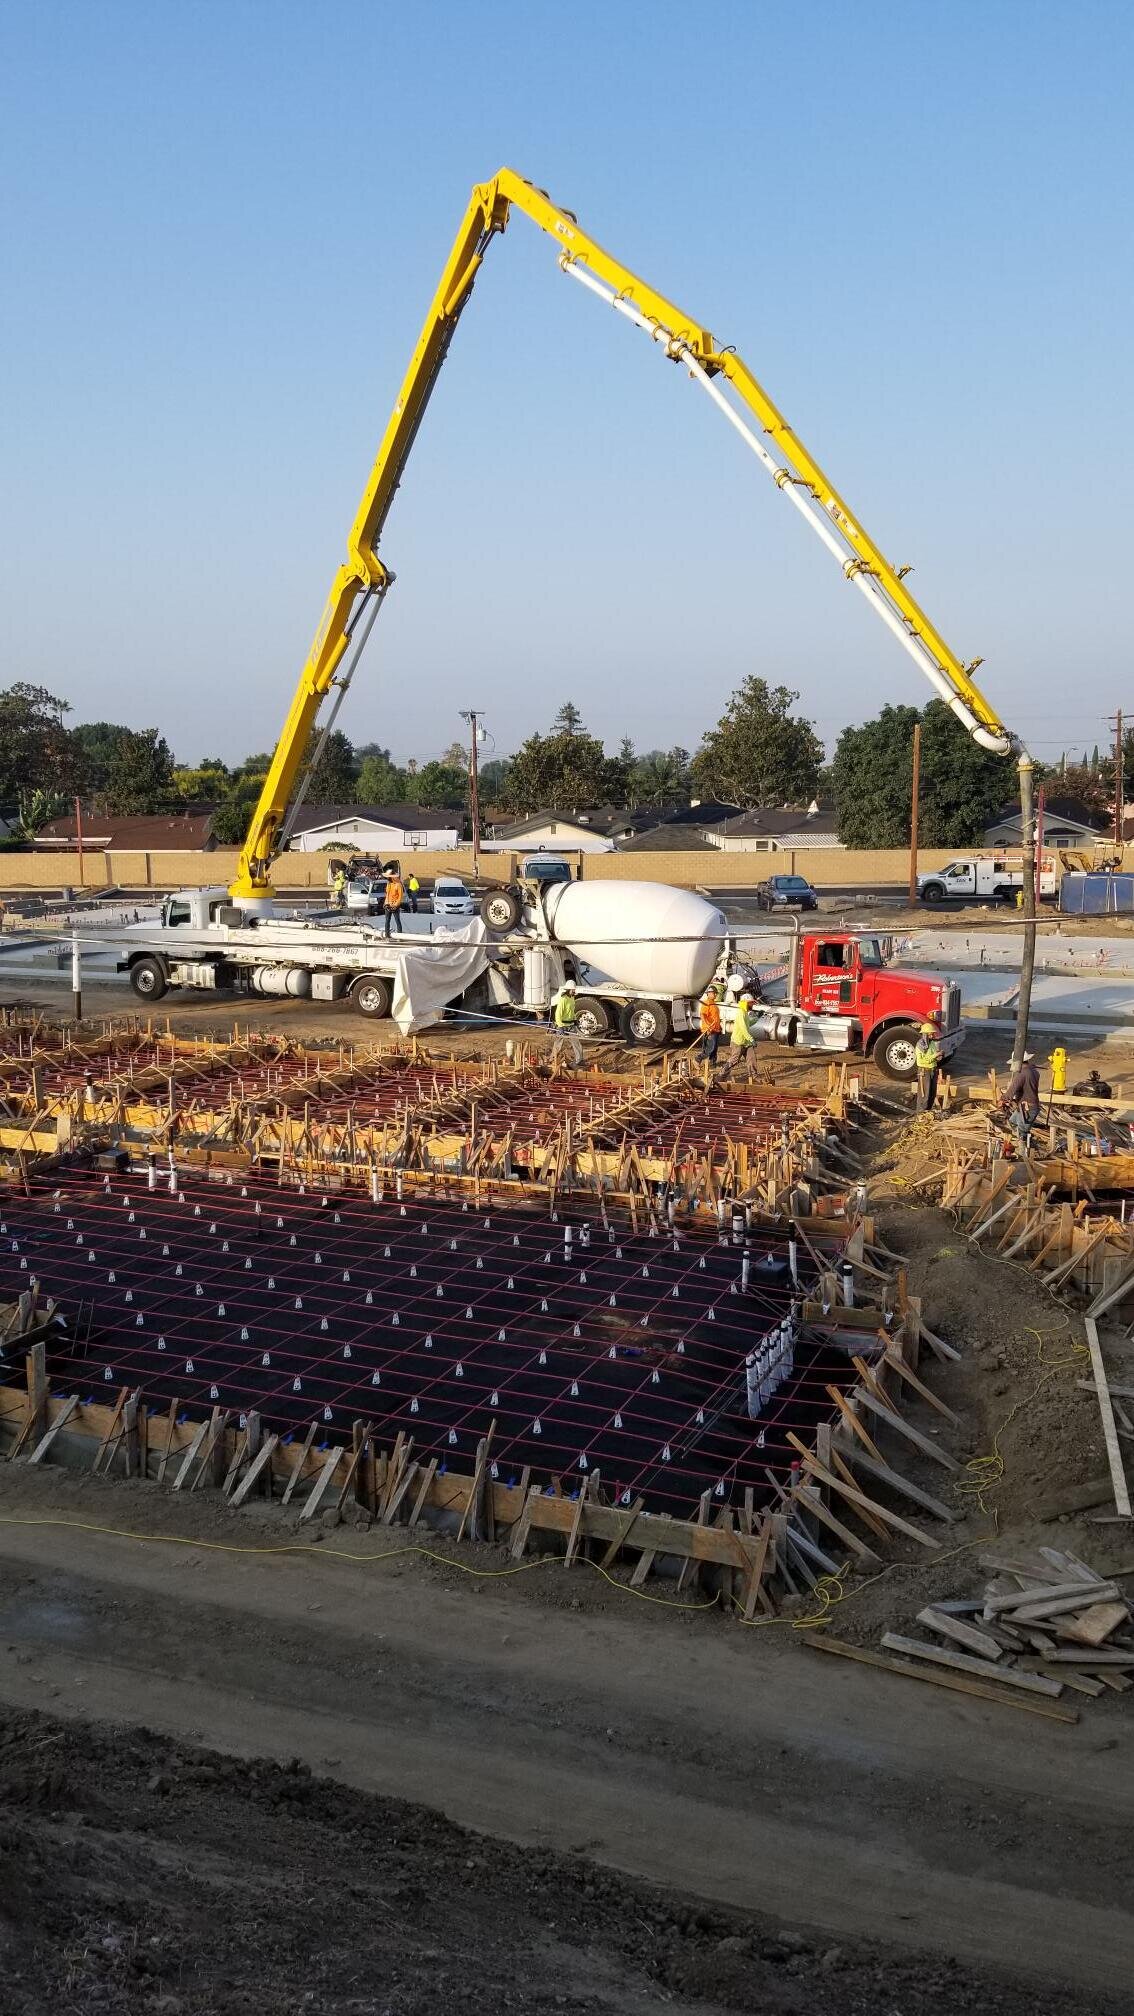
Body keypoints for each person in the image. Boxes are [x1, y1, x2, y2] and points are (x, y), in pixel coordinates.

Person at [1003, 1051, 1041, 1148]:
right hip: (1025, 1107)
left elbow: (1012, 1090)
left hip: (1028, 1109)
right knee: (1012, 1122)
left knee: (1021, 1133)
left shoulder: (1022, 1074)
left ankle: (1025, 1153)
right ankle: (1028, 1144)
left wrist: (1003, 1099)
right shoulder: (1034, 1071)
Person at [724, 992, 757, 1081]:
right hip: (738, 1042)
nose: (752, 1005)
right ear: (745, 1003)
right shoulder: (741, 1013)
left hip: (746, 1042)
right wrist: (751, 1039)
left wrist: (757, 1018)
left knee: (751, 1059)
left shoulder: (745, 1013)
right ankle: (722, 1075)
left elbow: (747, 1024)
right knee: (734, 1060)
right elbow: (743, 1029)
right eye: (751, 1003)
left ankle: (753, 1077)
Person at [549, 978, 582, 1069]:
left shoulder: (572, 998)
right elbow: (558, 1014)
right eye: (573, 990)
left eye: (574, 990)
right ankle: (552, 1059)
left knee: (576, 1042)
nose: (574, 991)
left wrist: (575, 1019)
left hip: (570, 1025)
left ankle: (579, 1060)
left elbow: (572, 1011)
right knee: (558, 1044)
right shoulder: (563, 999)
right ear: (568, 990)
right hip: (563, 1025)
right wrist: (560, 1026)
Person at [914, 1018, 941, 1113]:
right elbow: (922, 1060)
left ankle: (928, 1113)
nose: (933, 1035)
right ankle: (920, 1114)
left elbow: (934, 1055)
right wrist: (935, 1056)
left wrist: (939, 1056)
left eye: (933, 1033)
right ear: (925, 1034)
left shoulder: (933, 1043)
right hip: (924, 1071)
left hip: (933, 1070)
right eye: (931, 1033)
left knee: (932, 1093)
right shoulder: (919, 1046)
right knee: (924, 1095)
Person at [698, 985, 722, 1065]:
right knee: (710, 1048)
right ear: (708, 993)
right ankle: (697, 1059)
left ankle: (713, 1064)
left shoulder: (713, 1003)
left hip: (716, 1029)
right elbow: (702, 1015)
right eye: (713, 993)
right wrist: (707, 1025)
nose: (715, 995)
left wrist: (719, 1026)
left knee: (714, 1048)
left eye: (716, 993)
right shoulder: (706, 1003)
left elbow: (715, 1017)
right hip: (709, 1029)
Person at [382, 869, 405, 938]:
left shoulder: (398, 885)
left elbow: (400, 896)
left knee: (397, 920)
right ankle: (387, 935)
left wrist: (396, 905)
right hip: (388, 904)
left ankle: (399, 936)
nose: (388, 878)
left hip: (395, 905)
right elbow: (387, 894)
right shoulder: (389, 884)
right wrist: (385, 904)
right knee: (387, 920)